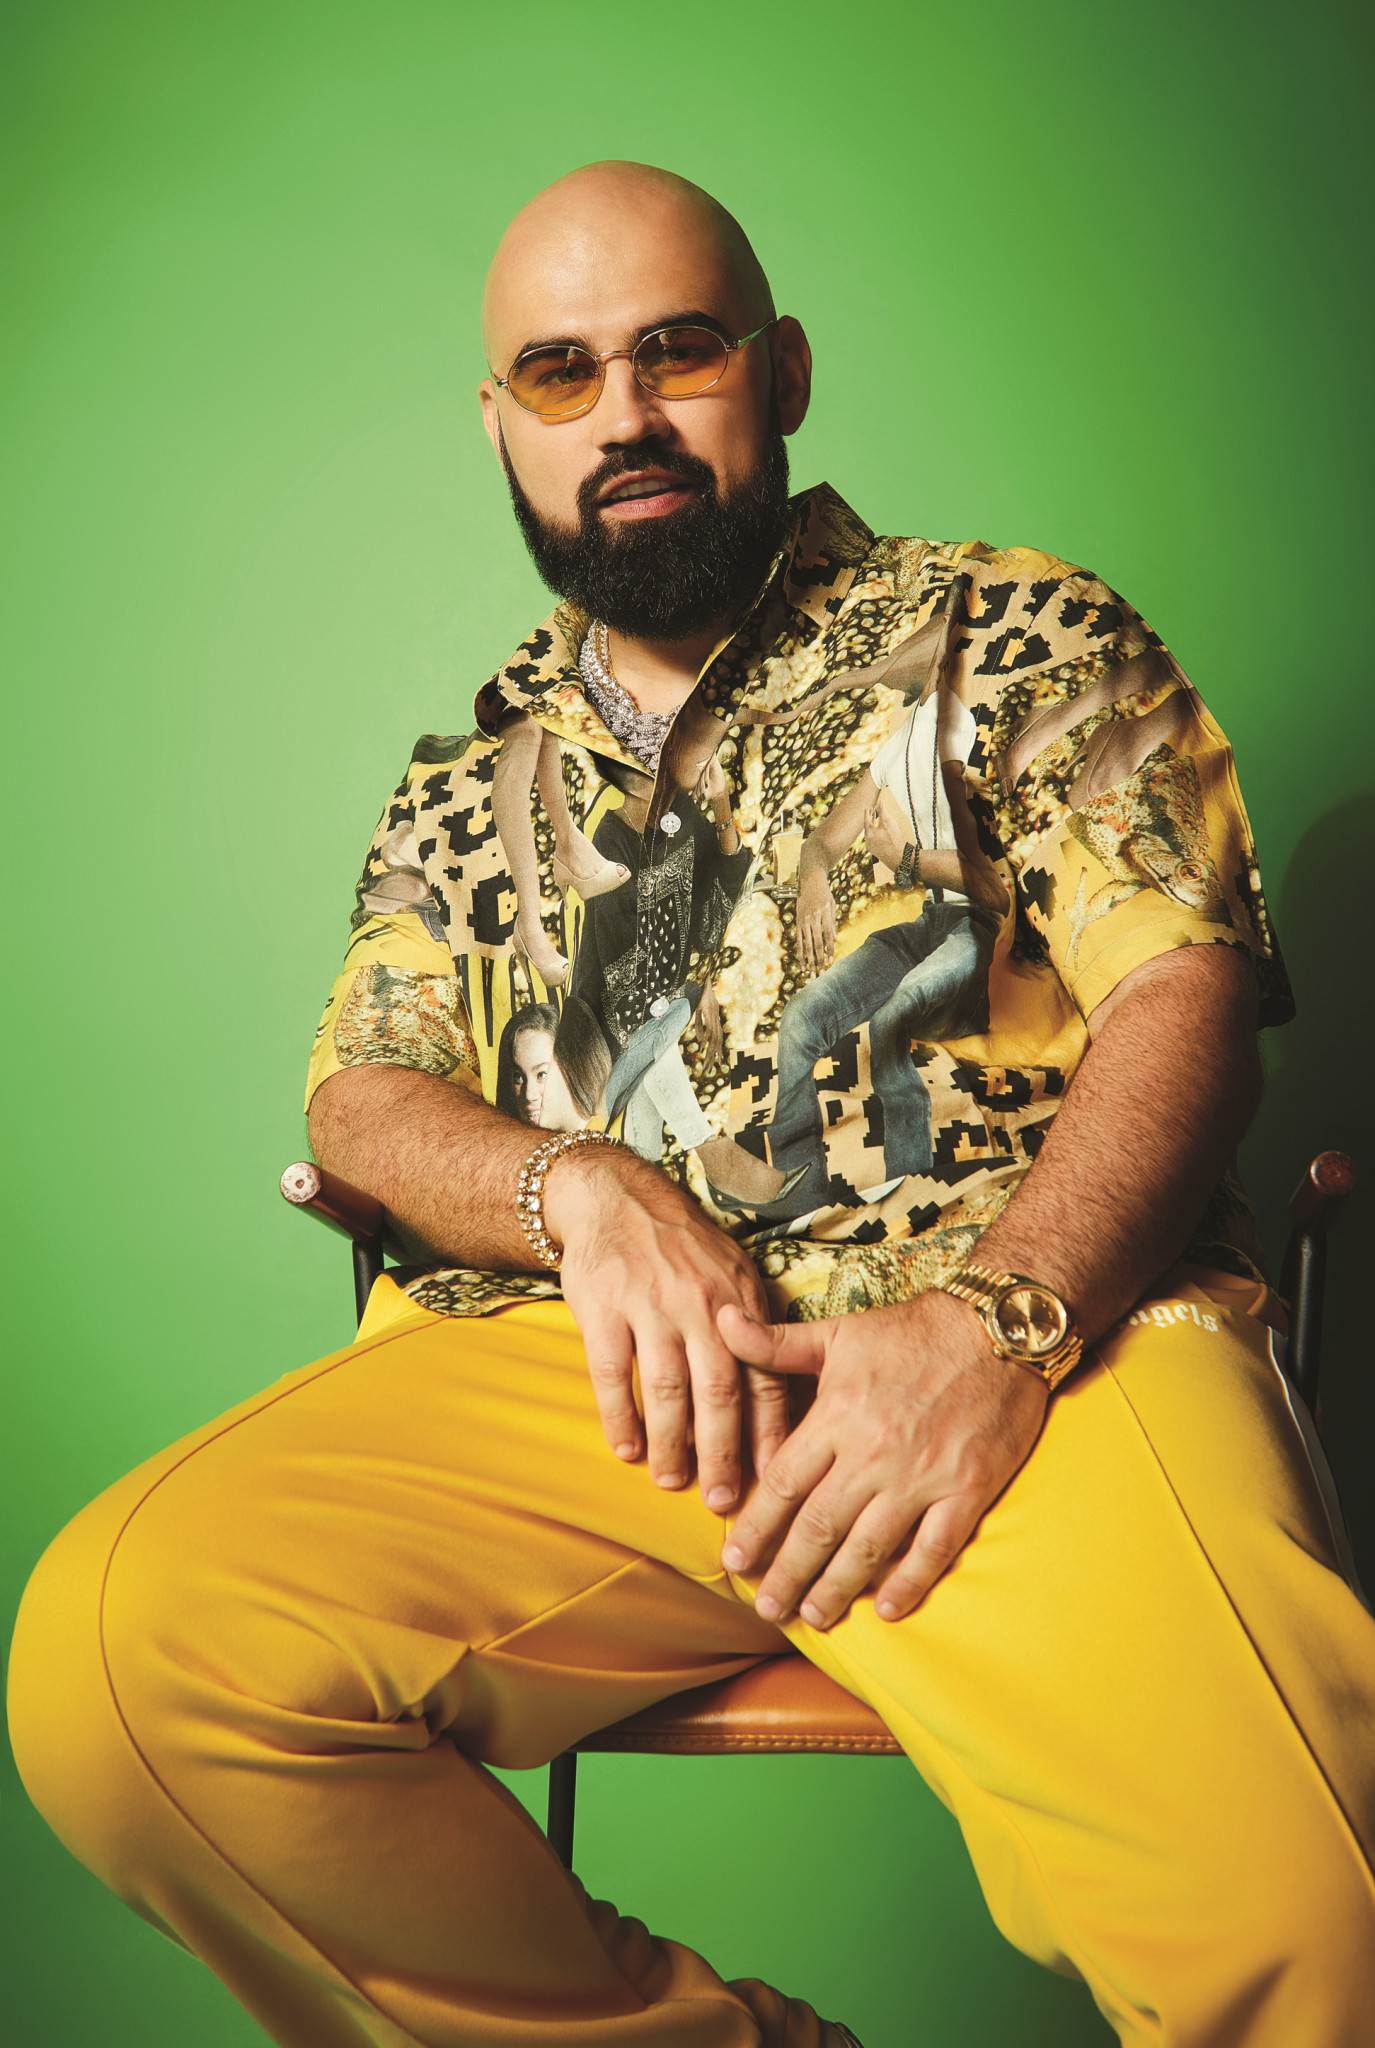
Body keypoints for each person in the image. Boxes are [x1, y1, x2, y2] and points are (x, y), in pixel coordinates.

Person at [9, 160, 1375, 2048]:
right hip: (602, 1387)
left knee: (1312, 1918)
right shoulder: (471, 774)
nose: (624, 414)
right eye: (560, 373)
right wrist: (577, 1190)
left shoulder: (1008, 629)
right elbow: (366, 1092)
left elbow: (1181, 990)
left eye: (678, 351)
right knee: (121, 1663)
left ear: (782, 370)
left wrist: (1001, 1320)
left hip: (1035, 1348)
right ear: (501, 423)